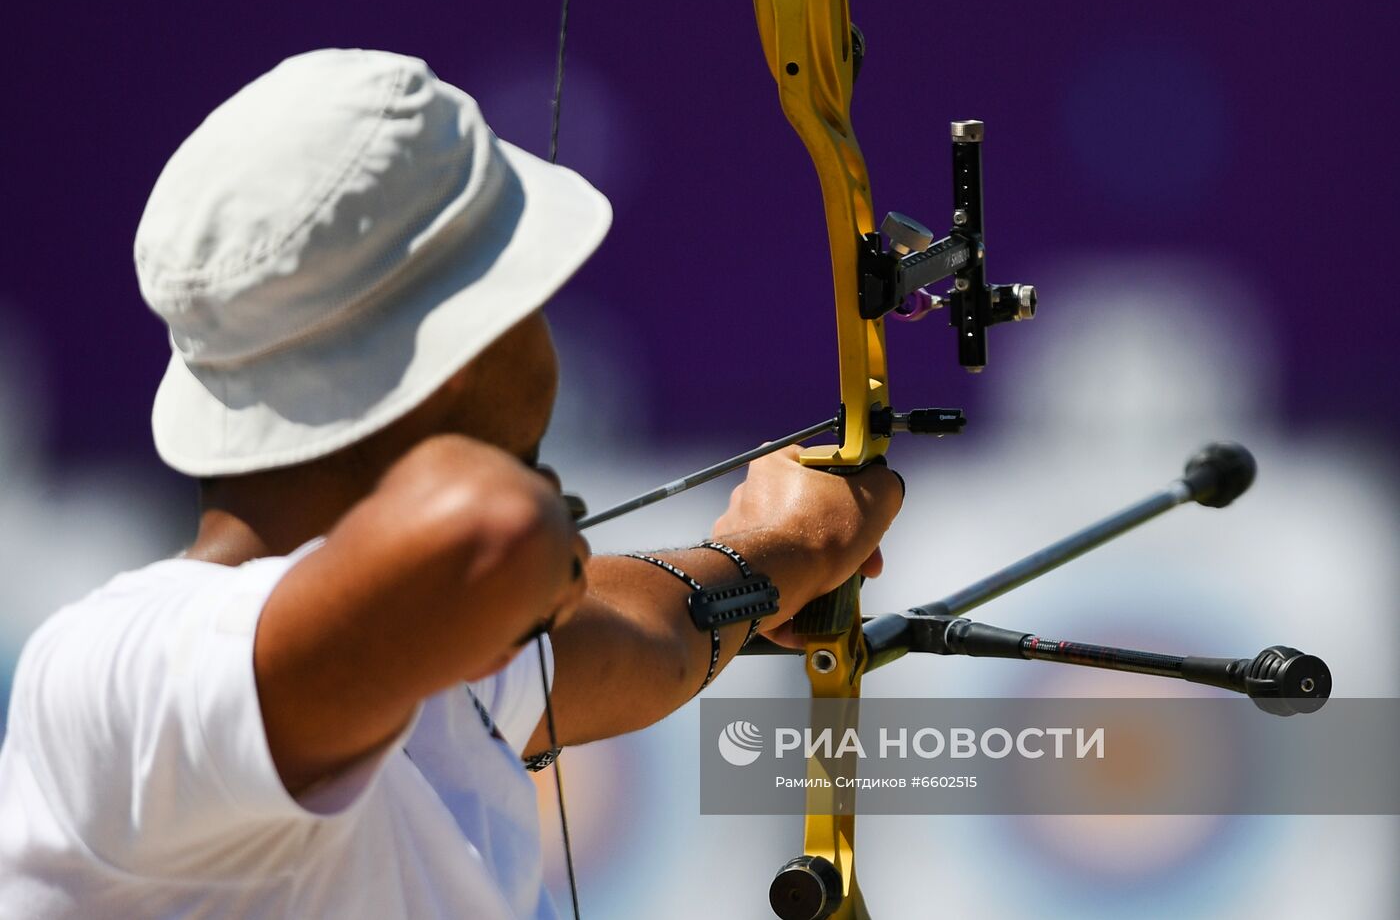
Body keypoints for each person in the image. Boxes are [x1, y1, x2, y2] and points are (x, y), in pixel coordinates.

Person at [0, 49, 902, 918]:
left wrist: (783, 545)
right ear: (460, 355)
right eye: (522, 302)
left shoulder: (407, 651)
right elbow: (495, 538)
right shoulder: (112, 678)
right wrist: (533, 540)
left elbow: (646, 637)